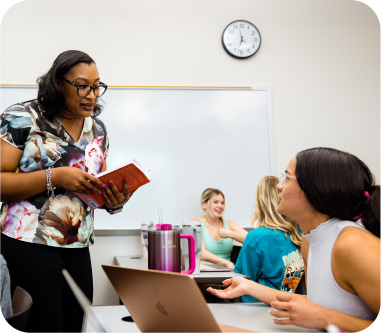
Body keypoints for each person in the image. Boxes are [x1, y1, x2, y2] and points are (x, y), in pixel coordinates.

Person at [0, 50, 134, 332]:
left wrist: (114, 199)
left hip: (77, 246)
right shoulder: (23, 117)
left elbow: (93, 186)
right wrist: (56, 176)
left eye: (97, 86)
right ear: (58, 84)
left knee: (74, 325)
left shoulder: (97, 129)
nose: (92, 94)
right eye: (83, 85)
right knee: (41, 325)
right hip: (26, 244)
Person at [208, 147, 380, 332]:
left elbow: (322, 312)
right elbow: (320, 304)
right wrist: (249, 287)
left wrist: (324, 318)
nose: (278, 186)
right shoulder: (308, 240)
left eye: (287, 177)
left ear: (315, 189)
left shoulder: (352, 244)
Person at [234, 176, 304, 302]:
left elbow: (240, 282)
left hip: (259, 308)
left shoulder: (256, 237)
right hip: (292, 305)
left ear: (260, 202)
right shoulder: (299, 232)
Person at [191, 188, 247, 269]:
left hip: (228, 272)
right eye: (215, 202)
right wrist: (227, 263)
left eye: (222, 203)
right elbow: (201, 253)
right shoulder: (195, 223)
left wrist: (232, 234)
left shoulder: (229, 224)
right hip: (205, 271)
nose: (220, 206)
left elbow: (253, 240)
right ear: (204, 204)